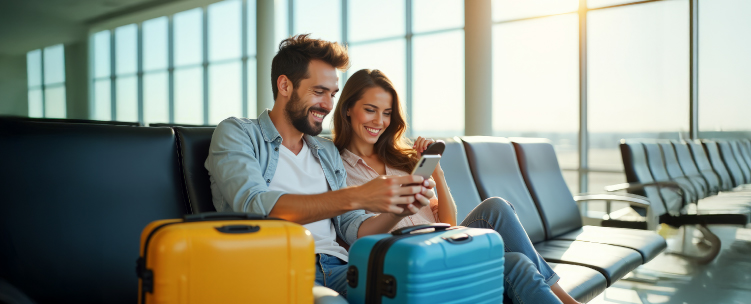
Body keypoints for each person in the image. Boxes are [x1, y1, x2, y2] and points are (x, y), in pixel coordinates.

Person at [205, 35, 436, 297]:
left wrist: (398, 209)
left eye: (332, 94)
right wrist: (358, 195)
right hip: (277, 266)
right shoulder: (238, 133)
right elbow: (254, 207)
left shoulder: (325, 151)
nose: (328, 105)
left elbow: (352, 229)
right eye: (318, 92)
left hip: (340, 267)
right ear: (284, 86)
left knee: (418, 291)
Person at [332, 69, 583, 304]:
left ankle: (564, 297)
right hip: (409, 260)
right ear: (347, 109)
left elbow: (449, 224)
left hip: (443, 244)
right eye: (370, 110)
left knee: (496, 207)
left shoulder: (400, 159)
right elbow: (356, 234)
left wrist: (436, 171)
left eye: (387, 113)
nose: (379, 120)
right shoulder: (337, 167)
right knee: (515, 262)